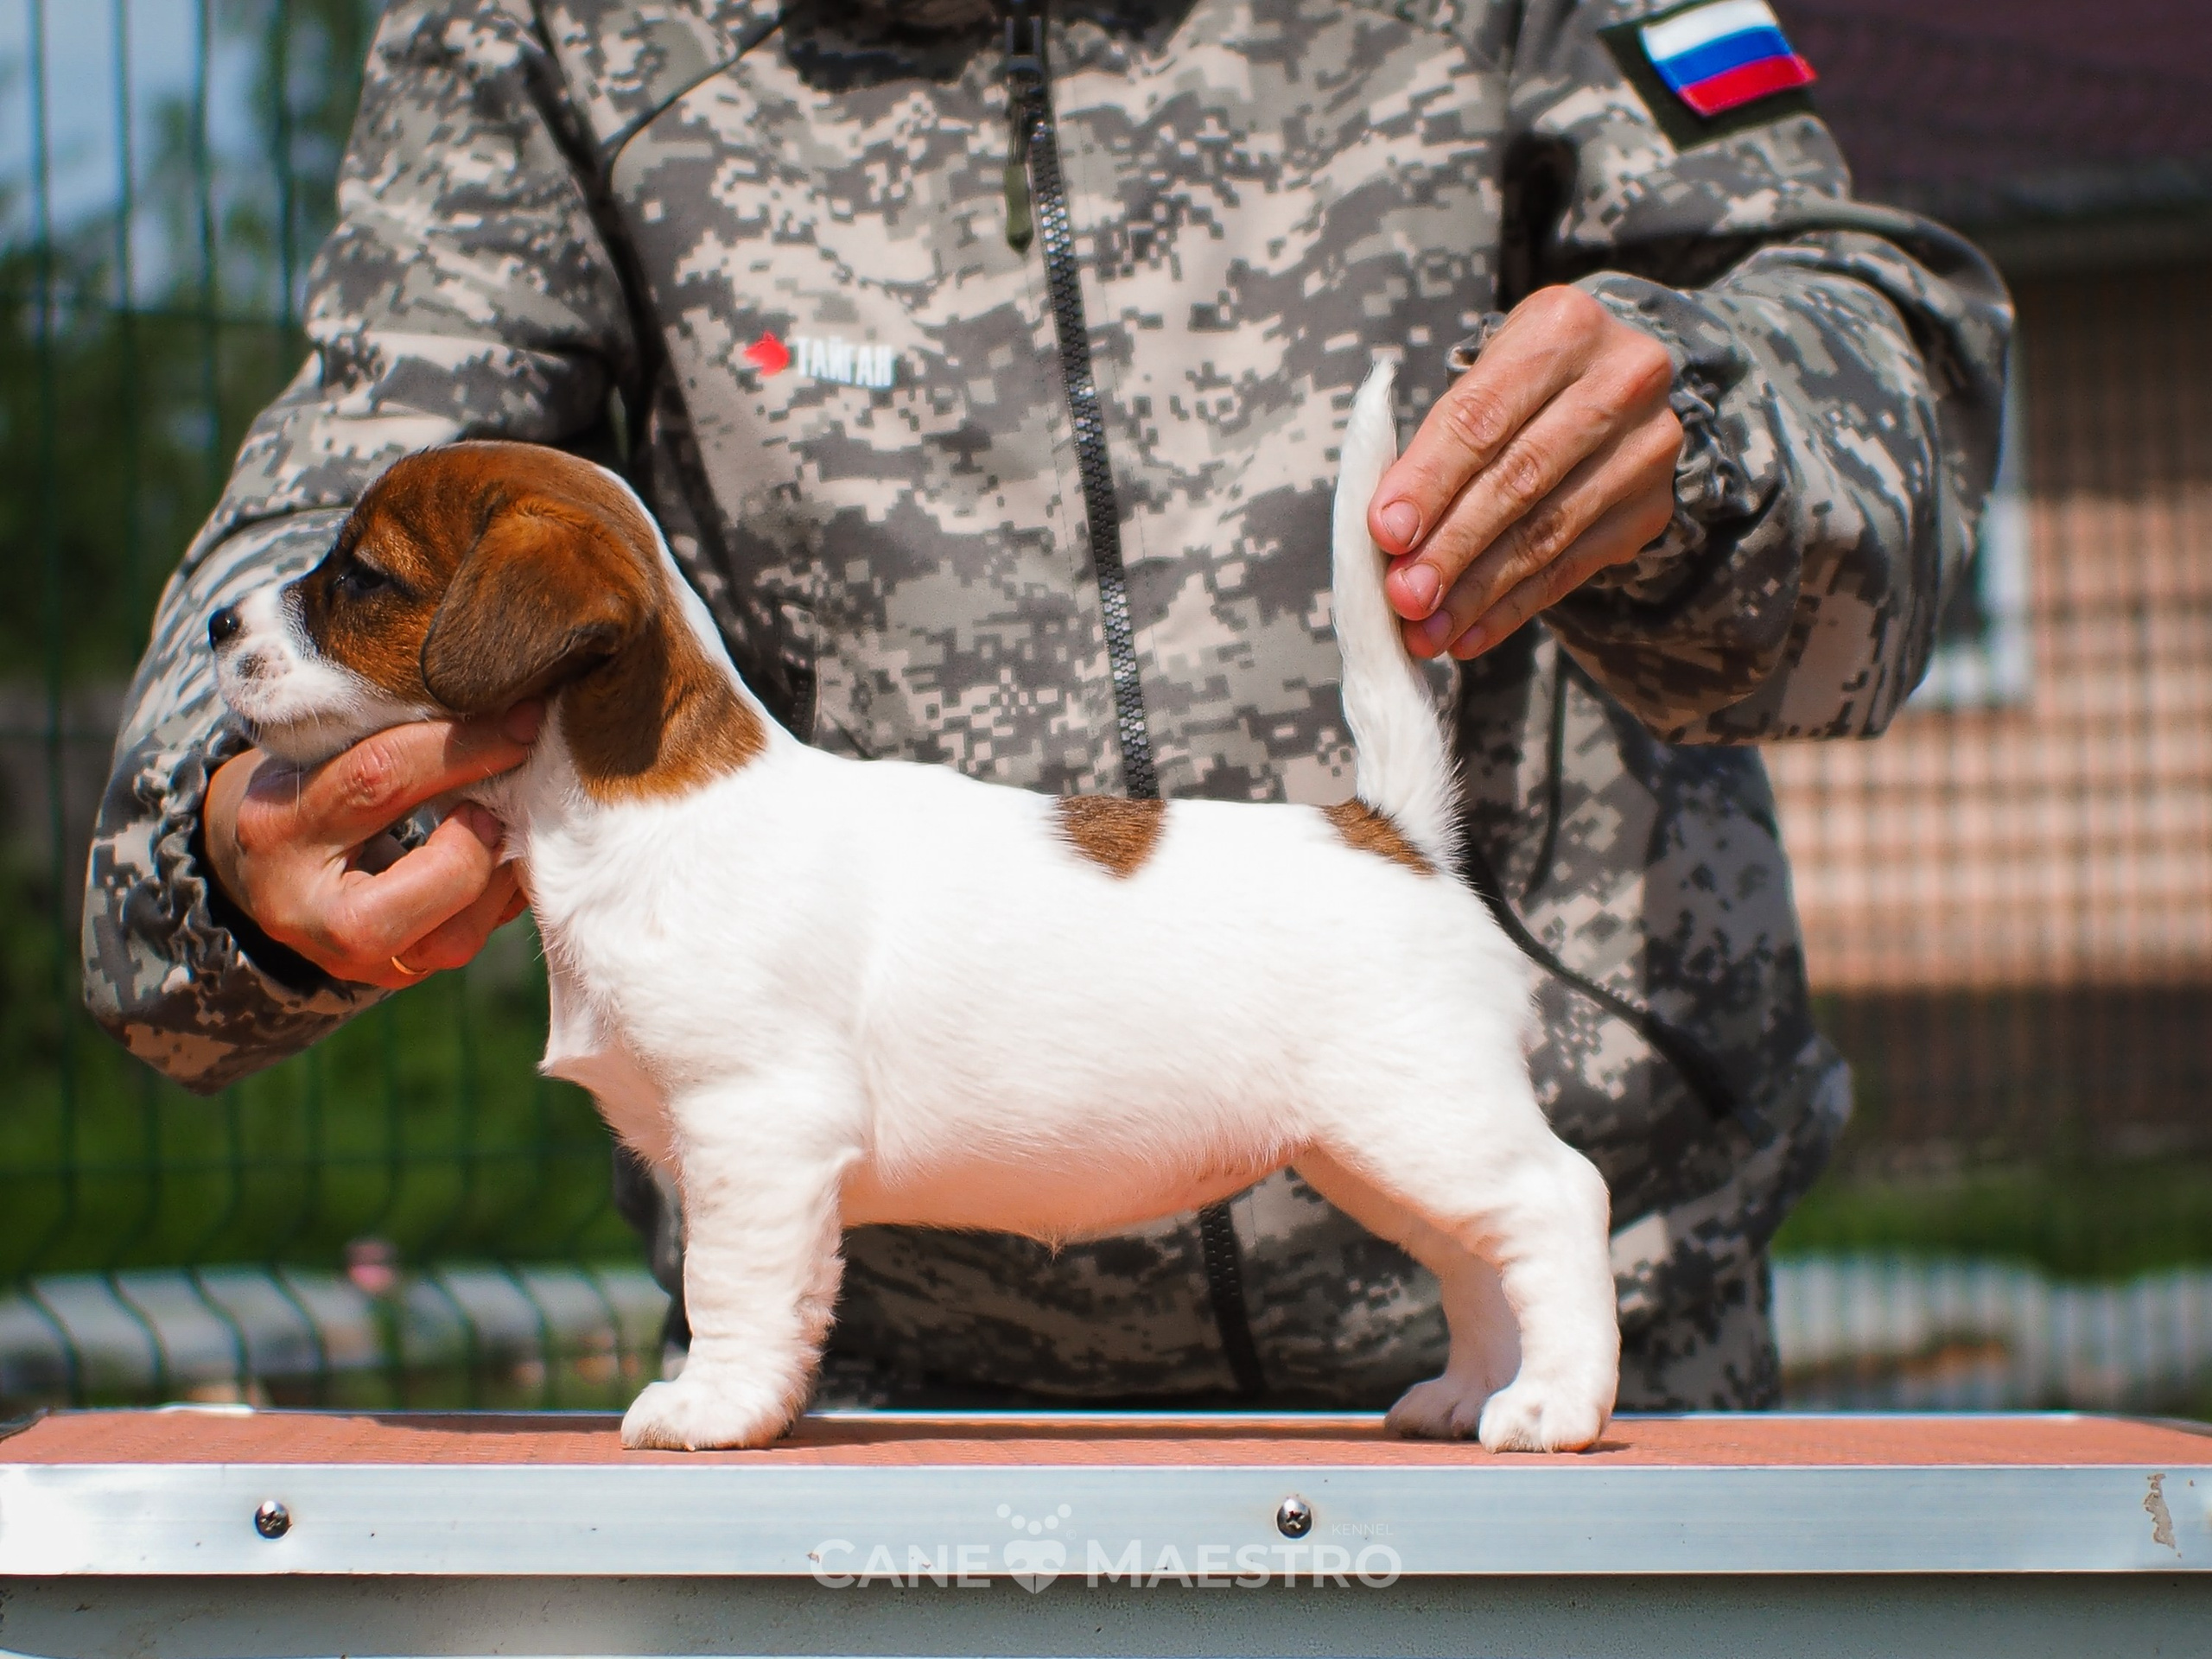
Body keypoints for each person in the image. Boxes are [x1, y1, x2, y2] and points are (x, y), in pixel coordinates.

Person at [83, 0, 2009, 1411]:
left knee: (1444, 1140)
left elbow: (1873, 336)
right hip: (888, 1424)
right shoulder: (546, 29)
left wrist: (1714, 433)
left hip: (1601, 1406)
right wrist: (224, 848)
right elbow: (347, 528)